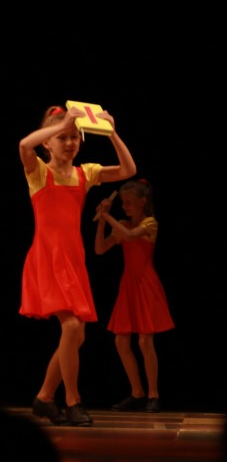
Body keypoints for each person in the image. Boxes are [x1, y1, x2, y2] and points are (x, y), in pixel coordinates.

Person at [19, 104, 136, 426]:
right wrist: (62, 123)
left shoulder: (86, 174)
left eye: (74, 137)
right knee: (71, 327)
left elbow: (128, 169)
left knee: (77, 336)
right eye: (63, 137)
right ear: (48, 142)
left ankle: (45, 397)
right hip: (47, 257)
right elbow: (24, 145)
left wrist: (112, 133)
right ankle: (73, 400)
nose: (70, 143)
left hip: (72, 260)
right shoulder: (39, 172)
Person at [94, 178, 173, 413]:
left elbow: (130, 237)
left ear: (142, 201)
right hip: (128, 285)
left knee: (144, 341)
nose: (125, 207)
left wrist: (108, 216)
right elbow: (99, 249)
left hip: (146, 284)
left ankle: (153, 394)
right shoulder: (123, 224)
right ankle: (137, 392)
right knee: (120, 340)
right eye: (123, 203)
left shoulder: (150, 223)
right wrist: (102, 221)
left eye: (129, 203)